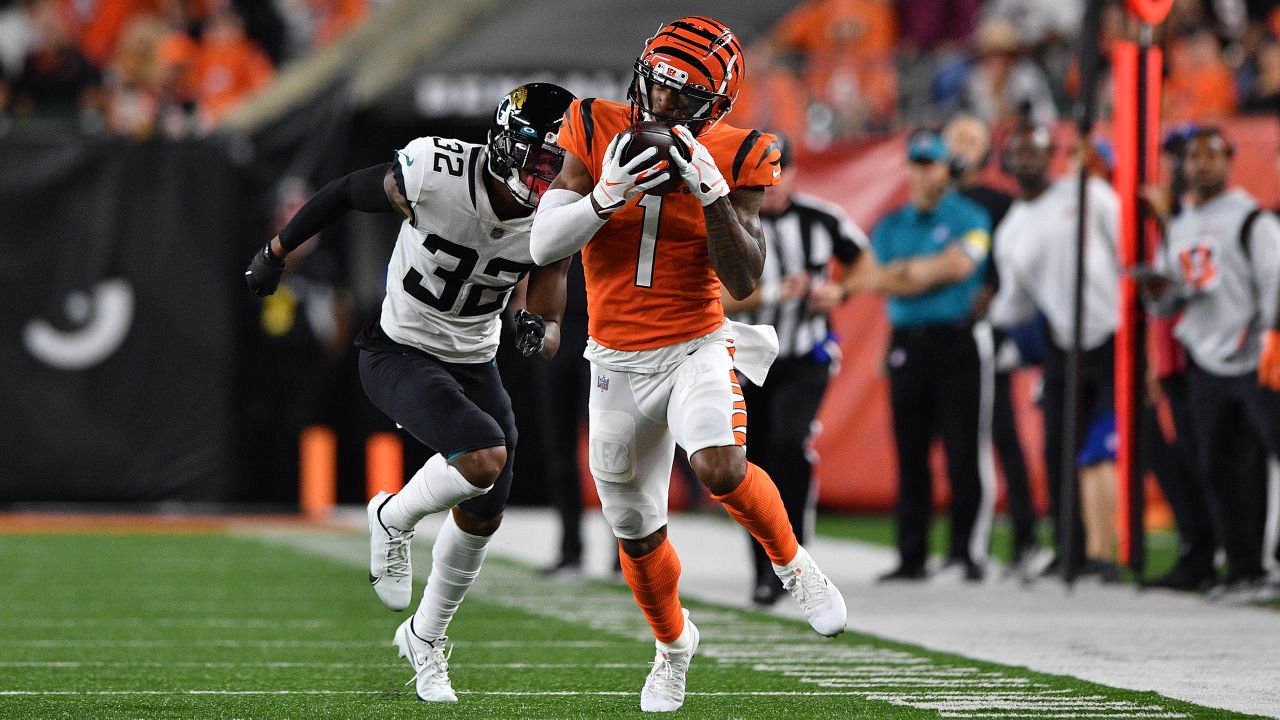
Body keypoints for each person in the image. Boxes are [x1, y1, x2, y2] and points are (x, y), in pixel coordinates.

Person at [529, 16, 847, 713]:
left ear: (717, 105)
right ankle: (673, 647)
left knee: (718, 464)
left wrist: (711, 197)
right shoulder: (591, 122)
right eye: (662, 86)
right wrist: (602, 196)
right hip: (613, 357)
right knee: (636, 534)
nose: (666, 105)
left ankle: (795, 566)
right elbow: (543, 242)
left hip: (695, 342)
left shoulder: (740, 151)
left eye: (686, 94)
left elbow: (744, 277)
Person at [243, 83, 577, 701]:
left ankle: (426, 638)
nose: (543, 174)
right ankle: (392, 517)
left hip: (475, 361)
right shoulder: (436, 171)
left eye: (553, 163)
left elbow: (549, 298)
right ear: (504, 143)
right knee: (483, 455)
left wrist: (540, 331)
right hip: (399, 348)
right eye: (535, 158)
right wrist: (277, 250)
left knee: (483, 515)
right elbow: (347, 192)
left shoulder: (560, 209)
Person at [720, 134, 873, 607]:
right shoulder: (727, 221)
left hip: (805, 353)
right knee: (751, 465)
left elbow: (865, 264)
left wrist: (841, 293)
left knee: (788, 442)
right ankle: (767, 567)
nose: (774, 180)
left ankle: (796, 556)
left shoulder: (822, 219)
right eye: (765, 170)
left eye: (781, 168)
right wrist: (772, 294)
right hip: (747, 361)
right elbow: (711, 295)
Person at [1140, 126, 1280, 600]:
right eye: (1193, 158)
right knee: (1217, 464)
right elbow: (1166, 300)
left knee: (1263, 463)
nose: (1200, 165)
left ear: (1229, 160)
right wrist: (1160, 293)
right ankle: (1241, 568)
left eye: (1210, 155)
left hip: (1253, 358)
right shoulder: (1178, 225)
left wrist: (1262, 336)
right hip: (1203, 357)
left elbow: (1274, 284)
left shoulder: (1251, 219)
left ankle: (1262, 564)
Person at [989, 125, 1121, 581]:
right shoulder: (1011, 230)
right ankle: (1072, 551)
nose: (1029, 160)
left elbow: (1124, 251)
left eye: (1038, 151)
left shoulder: (1088, 195)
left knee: (1119, 449)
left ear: (1054, 156)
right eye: (1020, 151)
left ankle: (1122, 552)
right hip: (1065, 344)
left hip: (1115, 338)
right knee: (1059, 450)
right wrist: (990, 312)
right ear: (1008, 162)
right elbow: (1018, 302)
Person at [868, 128, 996, 584]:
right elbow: (877, 278)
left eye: (931, 164)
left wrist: (910, 272)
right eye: (916, 164)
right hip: (908, 342)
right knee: (911, 453)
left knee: (963, 451)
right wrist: (927, 271)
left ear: (946, 168)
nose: (923, 173)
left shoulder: (971, 214)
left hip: (956, 340)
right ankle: (912, 556)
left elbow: (962, 266)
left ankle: (965, 552)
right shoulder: (891, 224)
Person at [943, 113, 1044, 576]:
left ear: (988, 151)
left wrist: (1000, 305)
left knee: (1000, 434)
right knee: (956, 442)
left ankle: (1021, 540)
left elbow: (1019, 263)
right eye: (956, 137)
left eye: (971, 139)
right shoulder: (934, 201)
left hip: (989, 333)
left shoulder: (1000, 204)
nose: (962, 147)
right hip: (944, 335)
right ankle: (957, 547)